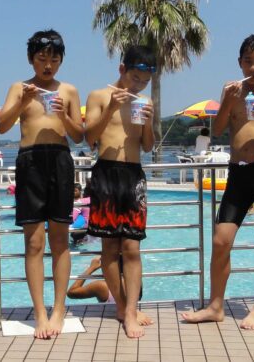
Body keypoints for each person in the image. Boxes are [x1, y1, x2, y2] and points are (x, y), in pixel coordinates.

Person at [181, 34, 254, 330]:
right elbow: (217, 130)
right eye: (248, 61)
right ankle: (215, 306)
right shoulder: (232, 90)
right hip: (238, 172)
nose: (253, 68)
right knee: (221, 240)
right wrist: (228, 102)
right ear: (239, 62)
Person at [0, 29, 83, 339]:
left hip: (59, 159)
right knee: (33, 243)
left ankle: (58, 309)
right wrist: (23, 101)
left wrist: (65, 116)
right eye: (42, 59)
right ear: (31, 59)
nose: (48, 65)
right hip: (29, 161)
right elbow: (2, 126)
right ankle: (40, 312)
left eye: (54, 60)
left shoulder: (69, 90)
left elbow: (79, 136)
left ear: (61, 61)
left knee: (60, 240)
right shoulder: (19, 88)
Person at [84, 44, 157, 338]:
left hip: (133, 174)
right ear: (122, 69)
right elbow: (89, 138)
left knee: (132, 247)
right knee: (109, 249)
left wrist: (149, 122)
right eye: (135, 78)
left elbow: (148, 146)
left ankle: (130, 312)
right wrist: (111, 108)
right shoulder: (98, 96)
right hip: (106, 173)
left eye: (145, 81)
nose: (138, 85)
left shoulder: (145, 101)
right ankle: (122, 306)